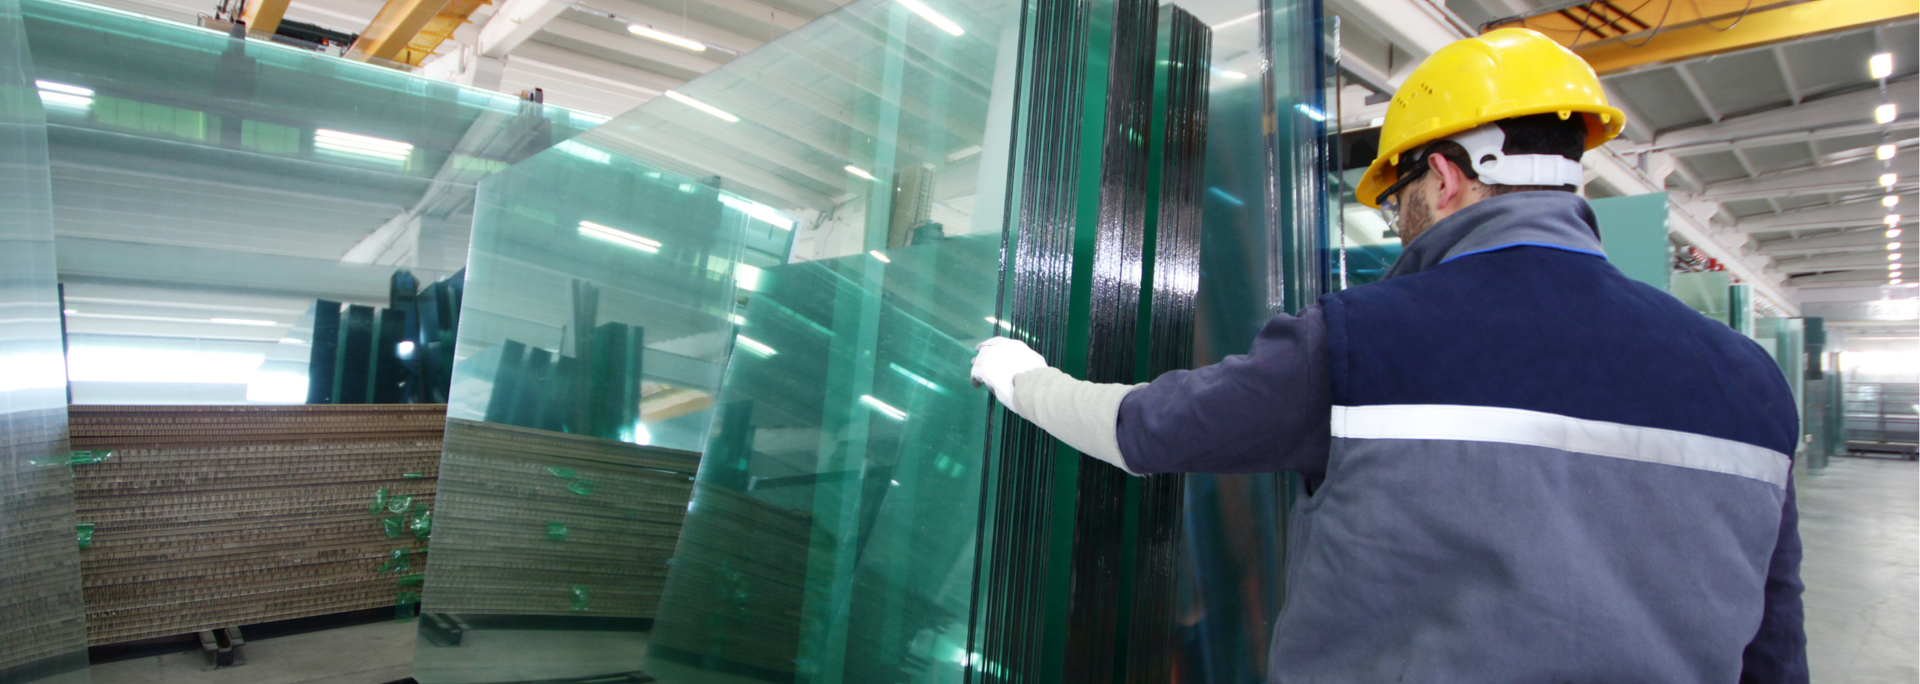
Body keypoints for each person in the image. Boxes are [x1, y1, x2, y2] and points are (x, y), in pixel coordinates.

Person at [969, 28, 1806, 683]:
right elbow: (1774, 649)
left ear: (1443, 177)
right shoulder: (1750, 382)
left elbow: (1146, 429)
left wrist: (1021, 378)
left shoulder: (1361, 341)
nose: (1398, 224)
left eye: (1397, 200)